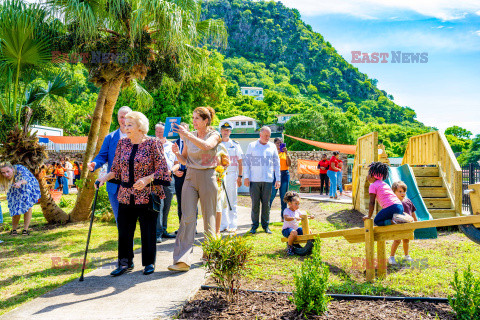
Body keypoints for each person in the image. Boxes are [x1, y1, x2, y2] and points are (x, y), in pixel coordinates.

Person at [96, 111, 171, 277]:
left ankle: (149, 263)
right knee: (124, 230)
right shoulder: (122, 144)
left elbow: (162, 170)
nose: (125, 126)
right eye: (125, 123)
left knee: (148, 229)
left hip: (146, 194)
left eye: (130, 124)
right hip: (125, 194)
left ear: (140, 127)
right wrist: (104, 177)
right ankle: (124, 263)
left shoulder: (153, 143)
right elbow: (115, 169)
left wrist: (146, 179)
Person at [168, 107, 222, 272]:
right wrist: (177, 154)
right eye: (193, 118)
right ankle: (182, 260)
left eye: (197, 118)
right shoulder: (189, 136)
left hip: (208, 176)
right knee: (188, 217)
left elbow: (206, 146)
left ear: (206, 120)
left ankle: (210, 254)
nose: (194, 121)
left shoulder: (214, 135)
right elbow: (185, 161)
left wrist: (187, 135)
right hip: (190, 177)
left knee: (209, 218)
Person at [88, 106, 132, 223]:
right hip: (115, 186)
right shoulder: (110, 137)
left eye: (127, 117)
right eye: (121, 117)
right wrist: (94, 164)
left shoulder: (137, 137)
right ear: (118, 119)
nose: (124, 120)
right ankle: (125, 242)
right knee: (120, 219)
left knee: (130, 219)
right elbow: (102, 156)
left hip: (133, 185)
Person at [243, 126, 280, 235]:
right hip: (254, 180)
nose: (267, 137)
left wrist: (278, 179)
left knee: (266, 204)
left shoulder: (272, 146)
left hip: (268, 180)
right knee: (255, 204)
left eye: (269, 136)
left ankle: (266, 226)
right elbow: (247, 163)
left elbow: (277, 164)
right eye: (265, 135)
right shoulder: (252, 145)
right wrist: (246, 177)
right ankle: (254, 226)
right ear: (260, 134)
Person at [0, 162, 41, 236]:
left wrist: (20, 182)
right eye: (3, 173)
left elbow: (26, 179)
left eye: (8, 171)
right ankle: (14, 230)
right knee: (15, 207)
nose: (6, 174)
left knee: (27, 207)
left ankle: (25, 230)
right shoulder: (2, 175)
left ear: (12, 169)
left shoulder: (20, 168)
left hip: (27, 184)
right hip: (14, 186)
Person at [154, 122, 177, 243]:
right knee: (159, 205)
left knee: (167, 206)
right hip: (157, 179)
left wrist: (171, 171)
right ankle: (157, 233)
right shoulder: (151, 145)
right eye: (157, 132)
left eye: (161, 132)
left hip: (169, 179)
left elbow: (176, 163)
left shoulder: (172, 145)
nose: (159, 134)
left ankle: (164, 230)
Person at [219, 121, 243, 233]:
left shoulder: (235, 145)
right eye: (224, 130)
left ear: (230, 132)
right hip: (220, 175)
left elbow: (240, 161)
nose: (226, 132)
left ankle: (233, 224)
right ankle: (223, 224)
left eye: (228, 130)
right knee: (222, 200)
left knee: (232, 200)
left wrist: (240, 176)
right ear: (221, 131)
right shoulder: (217, 144)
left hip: (232, 175)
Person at [362, 162, 403, 226]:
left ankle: (392, 221)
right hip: (400, 206)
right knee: (386, 217)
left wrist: (369, 216)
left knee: (377, 220)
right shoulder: (384, 184)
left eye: (368, 174)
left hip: (391, 207)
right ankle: (397, 220)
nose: (367, 176)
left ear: (372, 176)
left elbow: (372, 202)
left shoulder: (373, 185)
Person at [389, 181, 417, 265]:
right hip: (397, 225)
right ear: (393, 192)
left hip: (407, 225)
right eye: (400, 191)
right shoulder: (393, 203)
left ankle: (406, 256)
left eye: (404, 191)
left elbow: (412, 212)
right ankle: (391, 257)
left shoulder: (408, 201)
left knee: (406, 240)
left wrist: (415, 221)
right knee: (397, 240)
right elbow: (390, 214)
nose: (402, 193)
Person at [282, 191, 314, 255]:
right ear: (289, 203)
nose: (297, 206)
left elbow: (302, 216)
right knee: (294, 232)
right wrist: (294, 218)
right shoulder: (286, 210)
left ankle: (310, 246)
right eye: (295, 204)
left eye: (298, 204)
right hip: (287, 230)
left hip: (296, 229)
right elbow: (286, 218)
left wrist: (310, 216)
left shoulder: (297, 211)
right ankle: (289, 247)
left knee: (308, 231)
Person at [171, 122, 190, 225]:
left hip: (190, 174)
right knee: (181, 201)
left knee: (191, 201)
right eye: (180, 129)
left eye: (184, 129)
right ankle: (181, 226)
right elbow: (171, 161)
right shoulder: (173, 144)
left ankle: (193, 226)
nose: (182, 132)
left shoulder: (192, 143)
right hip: (178, 175)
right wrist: (174, 172)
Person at [269, 138, 291, 221]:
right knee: (271, 195)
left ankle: (283, 216)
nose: (279, 145)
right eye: (278, 143)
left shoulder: (285, 153)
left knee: (283, 196)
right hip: (274, 175)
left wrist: (287, 153)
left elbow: (289, 164)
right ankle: (266, 215)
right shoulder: (272, 152)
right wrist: (277, 153)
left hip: (284, 174)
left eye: (281, 143)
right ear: (274, 144)